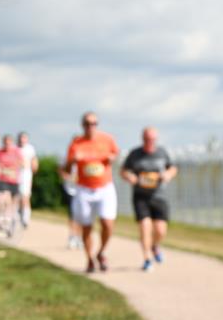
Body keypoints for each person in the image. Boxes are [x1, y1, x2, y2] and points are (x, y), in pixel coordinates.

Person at [60, 111, 119, 272]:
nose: (90, 126)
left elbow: (115, 154)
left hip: (104, 187)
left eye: (94, 123)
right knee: (87, 226)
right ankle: (90, 259)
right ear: (82, 125)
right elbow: (65, 169)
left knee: (107, 223)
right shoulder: (76, 144)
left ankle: (101, 252)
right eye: (87, 123)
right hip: (84, 189)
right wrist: (73, 160)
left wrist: (112, 158)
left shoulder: (107, 139)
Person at [121, 127, 178, 271]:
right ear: (142, 139)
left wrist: (168, 175)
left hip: (159, 196)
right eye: (147, 139)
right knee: (145, 227)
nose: (149, 142)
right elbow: (123, 171)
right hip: (141, 196)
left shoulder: (162, 153)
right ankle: (147, 258)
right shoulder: (135, 154)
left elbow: (172, 168)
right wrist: (130, 176)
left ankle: (154, 246)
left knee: (160, 231)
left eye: (152, 139)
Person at [0, 134, 24, 237]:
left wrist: (12, 168)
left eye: (9, 143)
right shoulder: (0, 152)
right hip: (3, 180)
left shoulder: (16, 151)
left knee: (10, 205)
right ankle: (2, 220)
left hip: (14, 181)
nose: (7, 145)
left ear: (12, 142)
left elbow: (22, 163)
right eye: (5, 143)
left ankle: (9, 224)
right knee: (2, 199)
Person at [17, 131, 38, 229]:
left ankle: (25, 219)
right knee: (18, 198)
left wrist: (33, 170)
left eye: (24, 138)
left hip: (26, 175)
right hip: (16, 175)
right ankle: (19, 216)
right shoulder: (15, 148)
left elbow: (34, 162)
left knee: (25, 197)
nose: (22, 140)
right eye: (21, 138)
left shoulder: (30, 149)